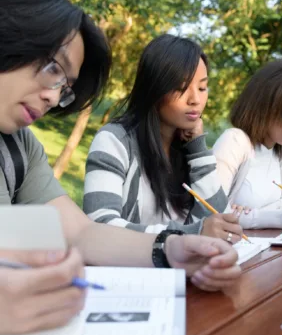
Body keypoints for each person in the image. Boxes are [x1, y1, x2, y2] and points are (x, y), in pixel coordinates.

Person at [0, 0, 241, 335]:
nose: (53, 97)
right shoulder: (116, 140)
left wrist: (171, 249)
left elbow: (81, 233)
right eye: (53, 67)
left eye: (65, 86)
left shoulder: (21, 146)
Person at [83, 34, 243, 244]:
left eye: (202, 88)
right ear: (154, 88)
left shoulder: (188, 148)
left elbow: (220, 219)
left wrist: (198, 150)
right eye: (181, 88)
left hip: (184, 270)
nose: (195, 99)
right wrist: (192, 233)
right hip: (128, 271)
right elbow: (100, 225)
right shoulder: (114, 141)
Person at [213, 60, 282, 229]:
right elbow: (211, 213)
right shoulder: (235, 141)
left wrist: (251, 214)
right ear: (264, 105)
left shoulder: (279, 151)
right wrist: (277, 217)